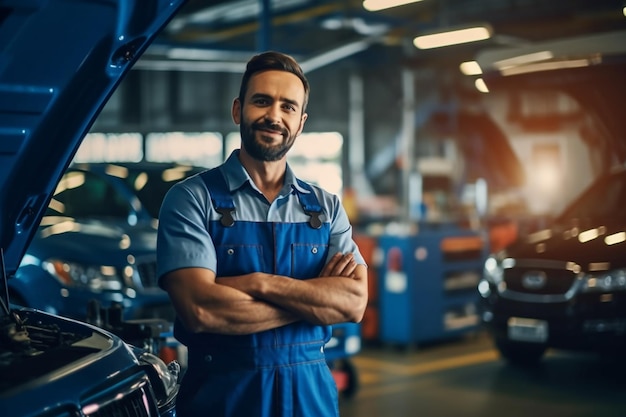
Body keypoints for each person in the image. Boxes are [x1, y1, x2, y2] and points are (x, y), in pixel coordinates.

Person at [156, 50, 368, 417]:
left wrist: (257, 283)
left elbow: (352, 304)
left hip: (310, 402)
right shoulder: (192, 200)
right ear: (238, 110)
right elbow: (201, 310)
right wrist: (314, 304)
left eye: (288, 107)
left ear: (300, 123)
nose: (274, 115)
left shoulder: (326, 207)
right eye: (262, 101)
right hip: (223, 402)